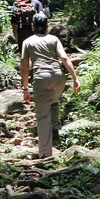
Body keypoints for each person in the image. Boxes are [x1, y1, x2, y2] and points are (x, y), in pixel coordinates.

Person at [21, 14, 81, 158]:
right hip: (58, 77)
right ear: (47, 25)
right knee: (54, 101)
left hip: (41, 77)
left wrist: (25, 88)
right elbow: (64, 58)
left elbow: (25, 68)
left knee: (42, 117)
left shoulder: (27, 42)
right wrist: (75, 78)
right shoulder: (54, 39)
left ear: (32, 26)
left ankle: (45, 154)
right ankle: (55, 129)